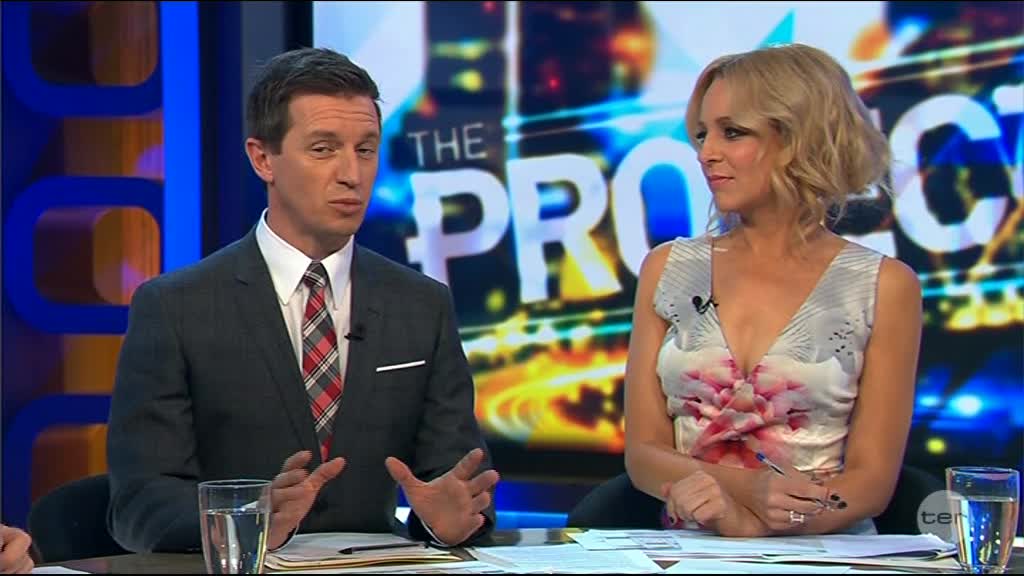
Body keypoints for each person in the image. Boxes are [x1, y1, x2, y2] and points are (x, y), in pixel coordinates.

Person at [107, 47, 499, 553]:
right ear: (262, 159)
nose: (352, 174)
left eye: (365, 149)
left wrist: (451, 520)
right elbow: (138, 506)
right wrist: (249, 517)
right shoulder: (175, 308)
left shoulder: (422, 305)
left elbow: (462, 483)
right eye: (323, 149)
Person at [624, 43, 922, 536]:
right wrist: (740, 498)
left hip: (822, 549)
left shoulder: (883, 285)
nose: (706, 153)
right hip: (690, 549)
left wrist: (763, 525)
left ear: (799, 140)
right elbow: (643, 455)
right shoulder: (668, 267)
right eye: (702, 134)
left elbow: (870, 481)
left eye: (732, 132)